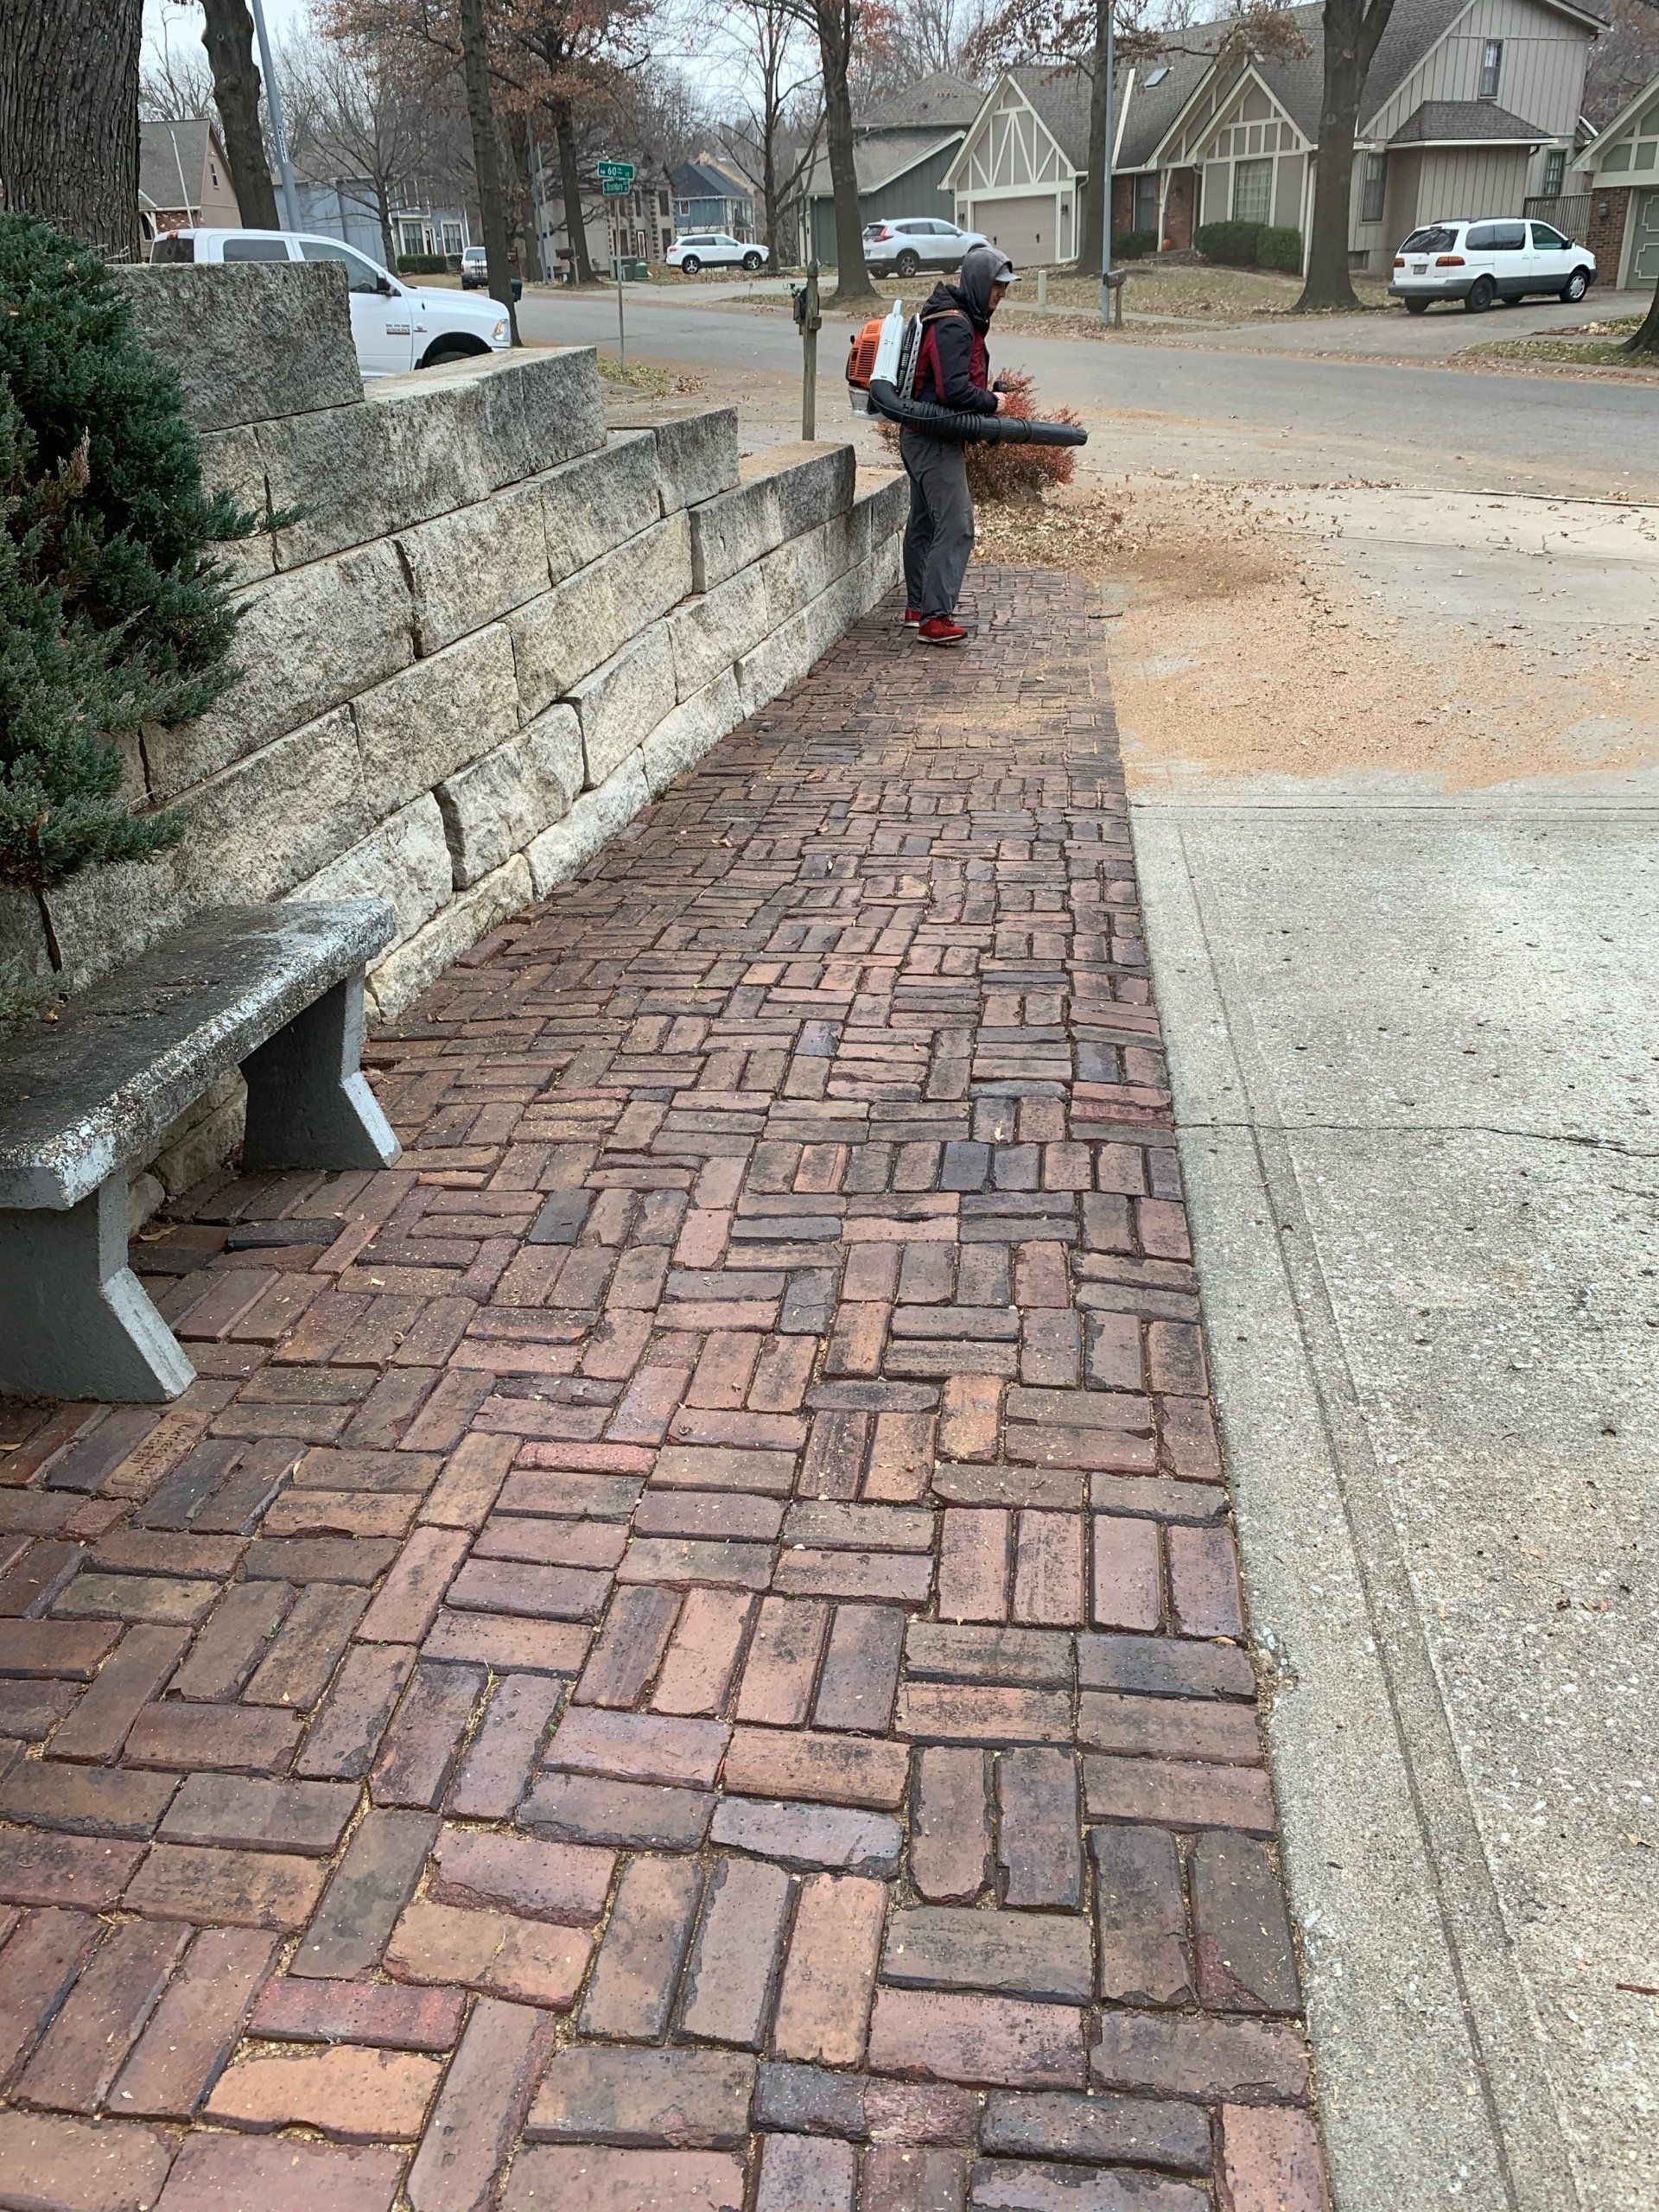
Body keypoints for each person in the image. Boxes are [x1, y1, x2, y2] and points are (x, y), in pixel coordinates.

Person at [900, 244, 1016, 647]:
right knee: (956, 527)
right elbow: (952, 389)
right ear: (979, 282)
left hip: (919, 435)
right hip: (934, 438)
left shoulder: (952, 314)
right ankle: (935, 618)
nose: (1001, 295)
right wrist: (992, 402)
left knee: (924, 522)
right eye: (997, 286)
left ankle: (918, 606)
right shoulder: (955, 323)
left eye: (1005, 288)